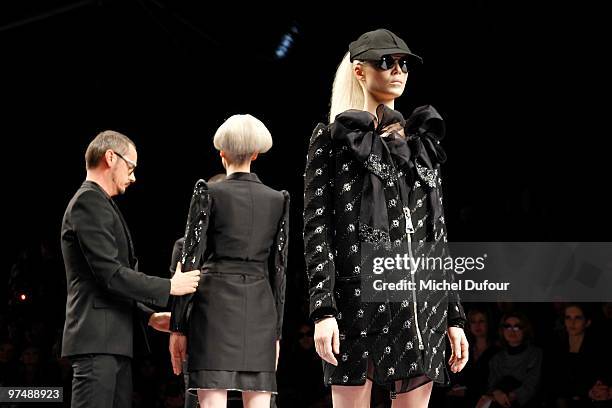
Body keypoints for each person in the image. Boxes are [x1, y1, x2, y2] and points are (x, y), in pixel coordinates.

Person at [303, 28, 469, 407]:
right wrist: (323, 310)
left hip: (418, 305)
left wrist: (455, 316)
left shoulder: (421, 145)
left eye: (403, 64)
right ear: (359, 71)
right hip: (354, 301)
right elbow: (317, 231)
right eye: (386, 62)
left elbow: (436, 238)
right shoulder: (331, 140)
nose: (398, 70)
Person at [60, 130, 201, 408]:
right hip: (96, 343)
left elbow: (108, 280)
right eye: (131, 167)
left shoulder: (100, 203)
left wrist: (147, 317)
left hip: (111, 342)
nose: (134, 177)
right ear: (110, 157)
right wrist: (170, 286)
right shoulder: (88, 202)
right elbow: (111, 275)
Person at [169, 114, 290, 408]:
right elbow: (279, 271)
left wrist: (178, 327)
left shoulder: (208, 191)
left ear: (221, 153)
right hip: (261, 312)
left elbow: (190, 262)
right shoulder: (278, 199)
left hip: (214, 312)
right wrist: (276, 333)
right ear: (256, 153)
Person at [477, 312, 542, 408]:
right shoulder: (496, 358)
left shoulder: (535, 354)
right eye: (507, 326)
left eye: (517, 327)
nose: (512, 331)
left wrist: (508, 396)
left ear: (525, 329)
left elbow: (531, 385)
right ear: (502, 330)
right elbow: (491, 385)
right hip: (498, 401)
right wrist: (497, 393)